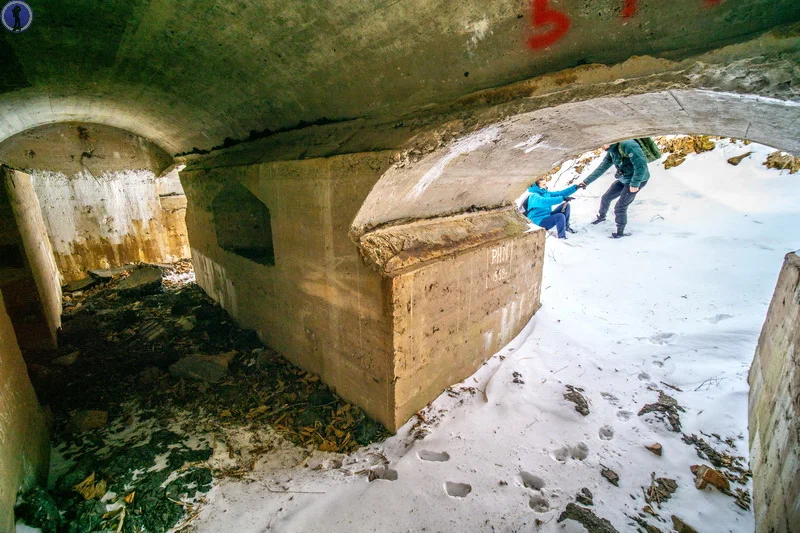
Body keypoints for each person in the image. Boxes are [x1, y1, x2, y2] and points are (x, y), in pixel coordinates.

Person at [579, 140, 651, 238]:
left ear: (611, 141)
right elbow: (601, 168)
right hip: (624, 179)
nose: (601, 147)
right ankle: (602, 217)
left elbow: (641, 165)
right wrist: (586, 181)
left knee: (620, 207)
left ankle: (620, 232)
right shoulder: (611, 151)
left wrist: (635, 184)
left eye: (602, 144)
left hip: (637, 181)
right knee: (606, 198)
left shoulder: (628, 145)